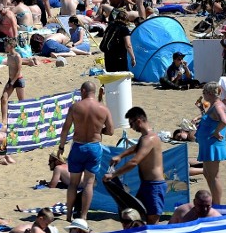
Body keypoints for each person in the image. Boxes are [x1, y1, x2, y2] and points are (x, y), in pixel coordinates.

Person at [58, 80, 113, 222]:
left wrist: (61, 147)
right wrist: (98, 129)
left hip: (78, 146)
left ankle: (69, 215)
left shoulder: (75, 107)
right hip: (94, 147)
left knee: (73, 184)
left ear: (83, 91)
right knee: (89, 183)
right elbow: (111, 131)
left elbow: (65, 129)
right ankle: (83, 216)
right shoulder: (103, 108)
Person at [103, 107, 165, 224]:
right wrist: (120, 156)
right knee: (134, 215)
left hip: (154, 186)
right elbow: (136, 148)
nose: (131, 127)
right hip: (146, 185)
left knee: (152, 221)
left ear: (138, 121)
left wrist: (113, 175)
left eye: (131, 124)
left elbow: (134, 162)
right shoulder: (145, 137)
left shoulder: (150, 138)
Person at [194, 82, 226, 205]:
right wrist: (201, 109)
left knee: (214, 176)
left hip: (213, 144)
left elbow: (224, 121)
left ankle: (218, 205)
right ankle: (215, 201)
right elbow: (209, 119)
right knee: (207, 173)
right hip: (207, 144)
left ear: (209, 93)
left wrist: (216, 132)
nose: (202, 95)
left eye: (203, 93)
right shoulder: (213, 105)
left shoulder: (218, 106)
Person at [0, 38, 24, 126]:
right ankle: (4, 120)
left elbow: (18, 70)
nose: (5, 47)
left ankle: (23, 117)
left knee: (21, 101)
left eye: (6, 45)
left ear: (11, 46)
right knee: (3, 98)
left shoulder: (17, 56)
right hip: (11, 80)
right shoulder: (9, 56)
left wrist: (12, 82)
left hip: (18, 80)